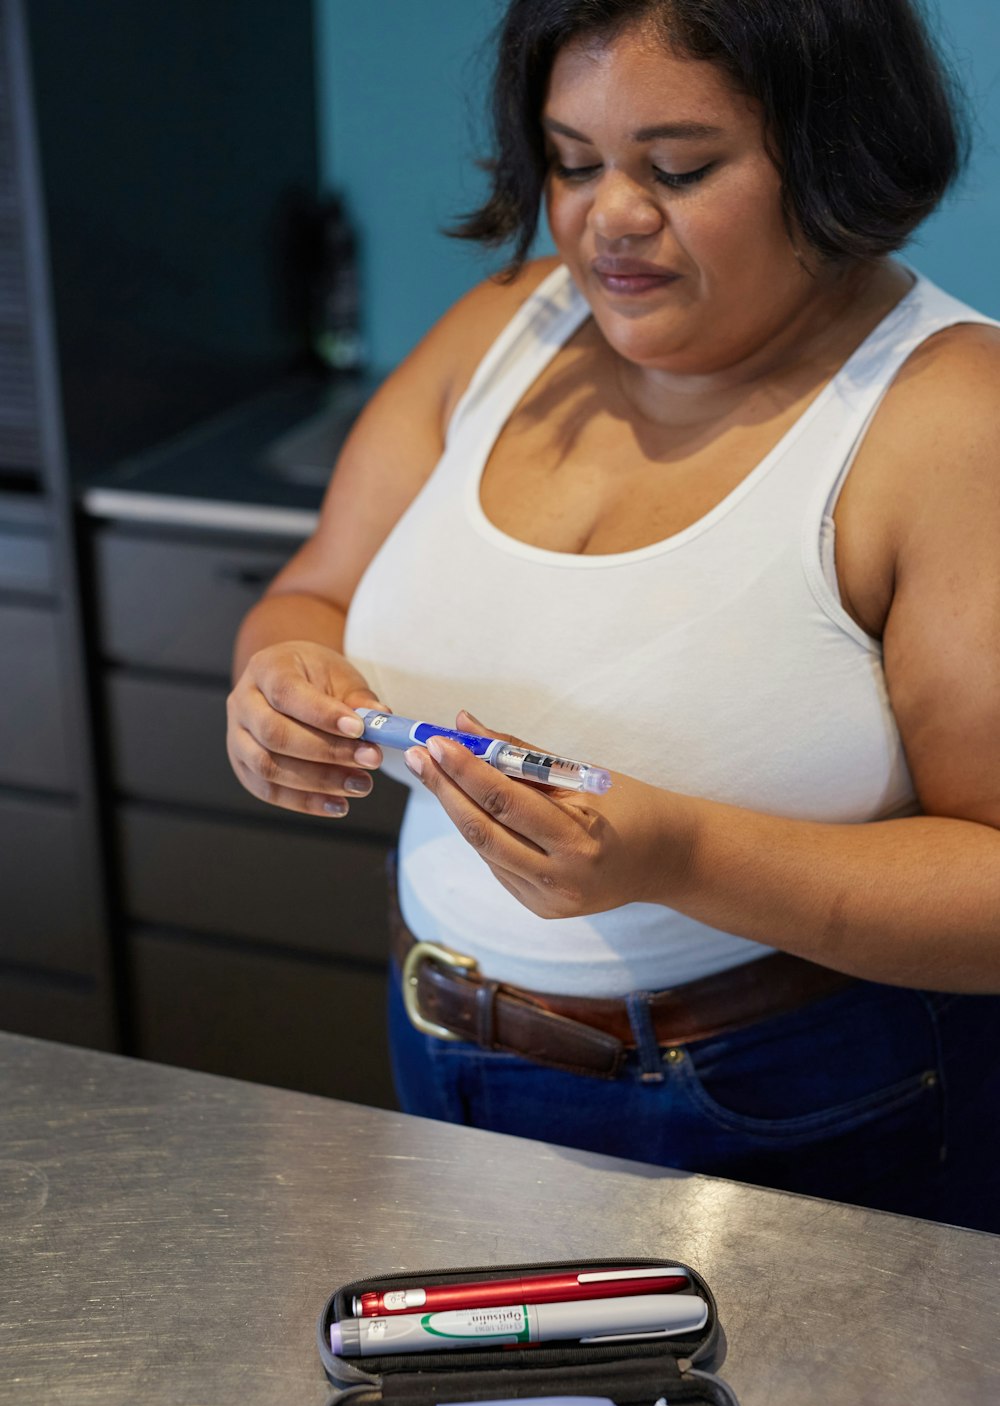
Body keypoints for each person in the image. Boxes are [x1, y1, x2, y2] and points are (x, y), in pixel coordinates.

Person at [227, 0, 1000, 1231]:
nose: (609, 217)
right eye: (572, 162)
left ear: (832, 150)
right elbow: (316, 588)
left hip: (783, 1104)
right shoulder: (503, 327)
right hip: (438, 1037)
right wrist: (280, 678)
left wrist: (676, 858)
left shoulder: (947, 416)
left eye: (679, 168)